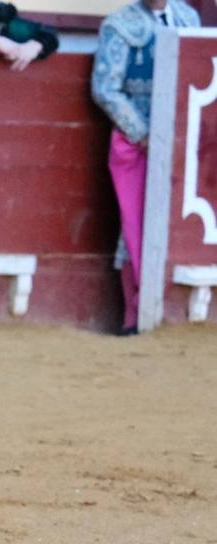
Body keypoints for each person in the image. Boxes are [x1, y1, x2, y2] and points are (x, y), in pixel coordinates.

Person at [92, 0, 199, 334]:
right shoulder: (119, 24)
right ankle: (134, 316)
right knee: (135, 226)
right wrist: (144, 134)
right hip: (138, 144)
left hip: (184, 144)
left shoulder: (188, 18)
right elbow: (106, 89)